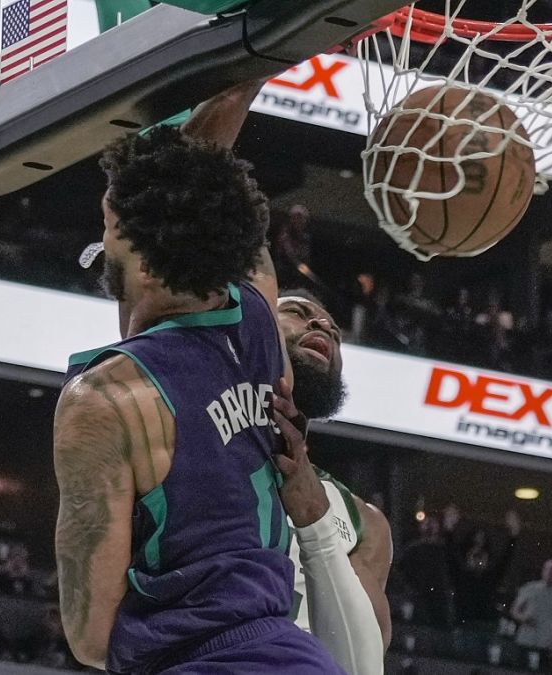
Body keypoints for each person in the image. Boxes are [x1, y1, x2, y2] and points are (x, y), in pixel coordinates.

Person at [53, 81, 344, 673]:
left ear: (124, 238)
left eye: (111, 215)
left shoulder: (104, 400)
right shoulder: (260, 323)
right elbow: (203, 183)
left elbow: (90, 636)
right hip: (293, 655)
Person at [275, 289, 395, 674]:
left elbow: (363, 666)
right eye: (296, 311)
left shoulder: (365, 520)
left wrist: (315, 519)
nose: (322, 325)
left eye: (335, 332)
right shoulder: (193, 439)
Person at [512, 559, 552, 669]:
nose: (551, 574)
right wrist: (523, 618)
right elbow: (514, 610)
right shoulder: (529, 588)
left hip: (546, 646)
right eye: (549, 570)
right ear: (543, 571)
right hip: (525, 642)